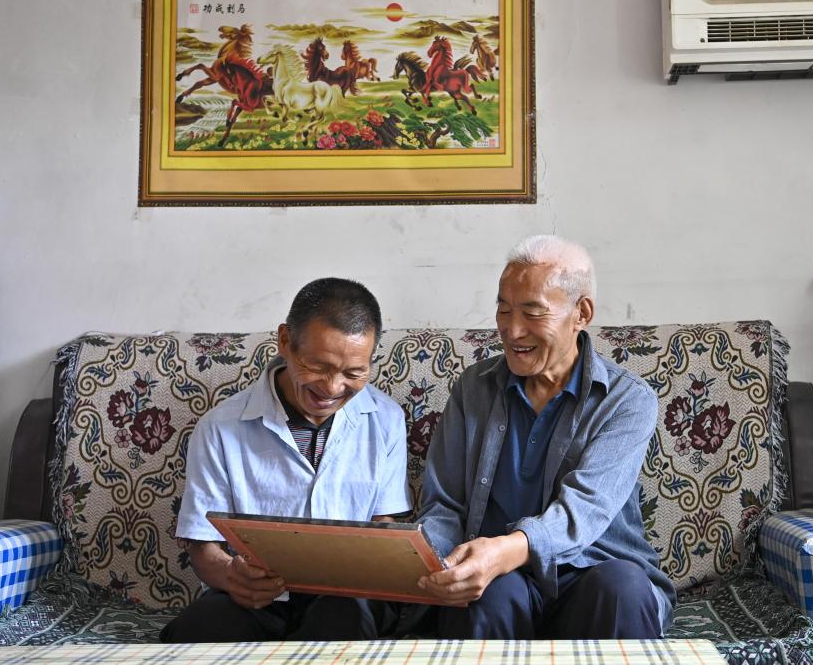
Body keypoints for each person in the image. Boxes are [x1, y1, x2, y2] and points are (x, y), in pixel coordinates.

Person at [416, 235, 676, 639]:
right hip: (501, 579)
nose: (512, 329)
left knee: (622, 589)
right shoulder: (473, 388)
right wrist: (439, 563)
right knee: (488, 597)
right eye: (504, 309)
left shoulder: (626, 399)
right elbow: (444, 503)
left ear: (581, 313)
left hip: (592, 570)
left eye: (532, 312)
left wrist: (505, 550)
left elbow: (586, 508)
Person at [161, 278, 412, 643]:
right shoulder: (220, 428)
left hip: (345, 597)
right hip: (258, 598)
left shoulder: (386, 419)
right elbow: (202, 545)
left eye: (353, 373)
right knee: (196, 628)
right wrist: (231, 575)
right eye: (318, 366)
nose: (332, 388)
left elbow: (383, 522)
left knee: (343, 616)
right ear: (284, 341)